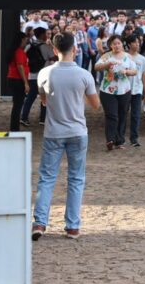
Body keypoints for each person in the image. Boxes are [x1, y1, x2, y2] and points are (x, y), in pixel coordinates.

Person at [31, 32, 100, 241]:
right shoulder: (83, 75)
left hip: (53, 132)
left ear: (54, 50)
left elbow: (42, 99)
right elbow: (96, 105)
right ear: (75, 49)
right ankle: (72, 226)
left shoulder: (45, 73)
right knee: (76, 178)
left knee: (47, 178)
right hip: (77, 131)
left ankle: (40, 222)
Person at [94, 35, 137, 151]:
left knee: (122, 115)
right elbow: (96, 67)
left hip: (124, 90)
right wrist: (106, 65)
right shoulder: (106, 56)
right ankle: (110, 139)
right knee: (111, 115)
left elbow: (135, 71)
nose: (117, 45)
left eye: (119, 43)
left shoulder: (128, 57)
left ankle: (119, 141)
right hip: (107, 90)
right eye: (114, 43)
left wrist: (126, 71)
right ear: (110, 45)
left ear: (122, 44)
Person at [19, 27, 54, 126]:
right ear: (42, 35)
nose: (47, 36)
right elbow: (54, 57)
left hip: (32, 75)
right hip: (44, 76)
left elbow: (24, 57)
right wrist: (51, 46)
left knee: (30, 98)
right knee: (44, 97)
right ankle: (43, 119)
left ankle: (24, 117)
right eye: (45, 34)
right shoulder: (45, 46)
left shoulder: (29, 46)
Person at [5, 31, 31, 132]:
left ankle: (14, 127)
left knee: (17, 105)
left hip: (13, 79)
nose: (26, 42)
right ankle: (14, 128)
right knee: (18, 105)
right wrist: (25, 82)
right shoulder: (19, 51)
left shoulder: (14, 51)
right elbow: (20, 66)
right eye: (25, 40)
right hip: (18, 80)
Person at [126, 35, 145, 148]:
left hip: (137, 89)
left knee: (135, 115)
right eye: (135, 42)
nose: (137, 44)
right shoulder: (124, 57)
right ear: (129, 44)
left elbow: (144, 76)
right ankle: (119, 137)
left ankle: (134, 138)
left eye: (139, 42)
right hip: (124, 89)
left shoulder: (142, 59)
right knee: (122, 114)